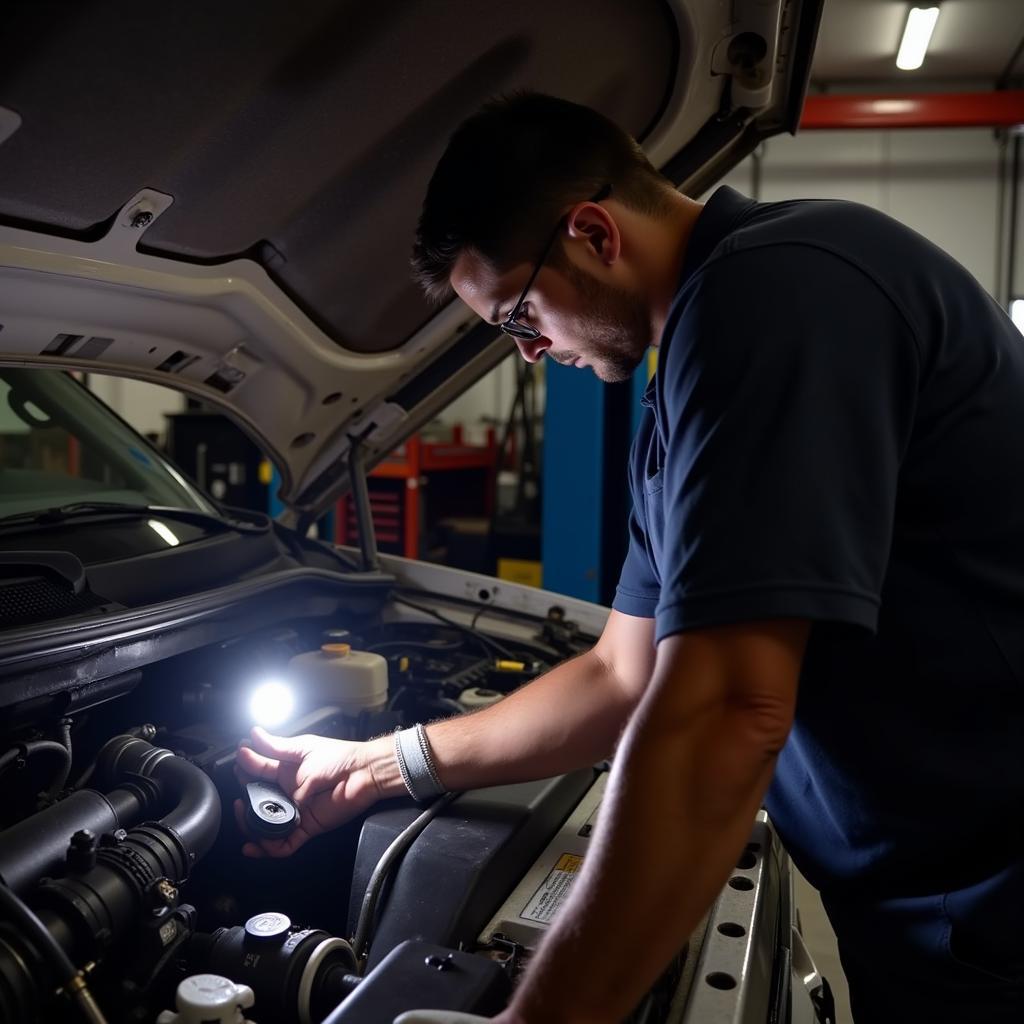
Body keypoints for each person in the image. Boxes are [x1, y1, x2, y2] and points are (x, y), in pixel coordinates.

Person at [236, 93, 1024, 1022]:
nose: (529, 354)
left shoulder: (777, 293)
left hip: (993, 895)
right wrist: (382, 764)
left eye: (520, 316)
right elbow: (623, 674)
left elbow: (731, 706)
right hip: (923, 894)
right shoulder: (696, 361)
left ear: (594, 234)